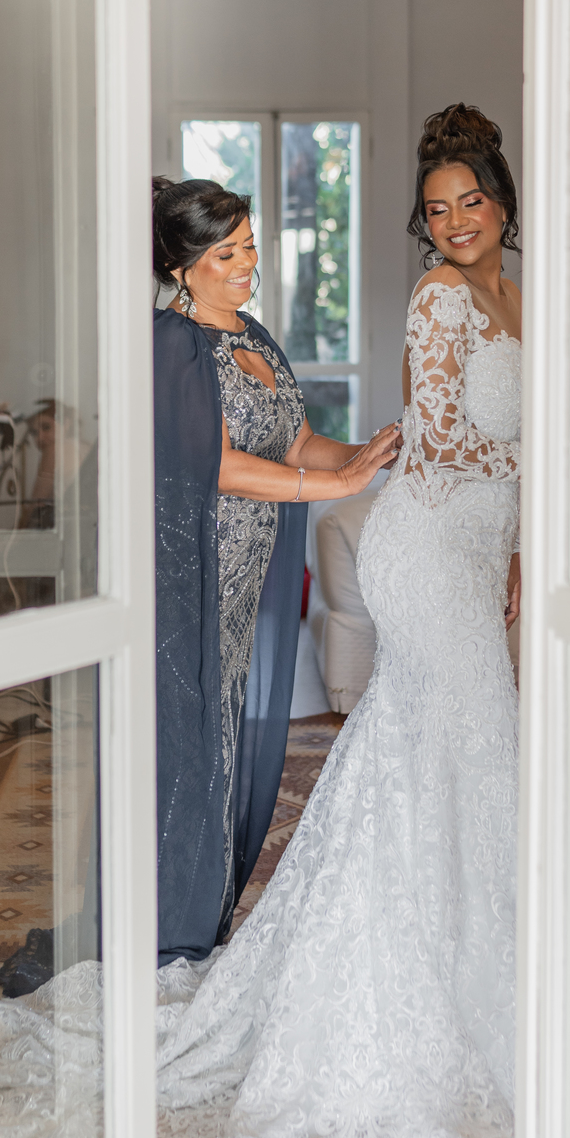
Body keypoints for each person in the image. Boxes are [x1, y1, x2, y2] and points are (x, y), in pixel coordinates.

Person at [152, 106, 570, 1138]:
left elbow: (528, 446)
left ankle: (470, 975)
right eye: (437, 210)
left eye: (470, 202)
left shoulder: (521, 297)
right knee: (476, 745)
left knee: (445, 755)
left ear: (501, 203)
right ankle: (433, 1012)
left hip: (475, 550)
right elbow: (444, 443)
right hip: (423, 552)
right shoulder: (439, 301)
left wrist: (517, 545)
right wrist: (526, 464)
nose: (454, 223)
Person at [151, 176, 400, 967]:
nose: (246, 265)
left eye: (250, 247)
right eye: (225, 253)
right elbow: (216, 464)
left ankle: (205, 913)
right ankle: (171, 927)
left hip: (246, 576)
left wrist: (366, 455)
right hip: (193, 574)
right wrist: (334, 486)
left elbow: (295, 443)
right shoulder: (174, 344)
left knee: (226, 735)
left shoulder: (254, 336)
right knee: (192, 744)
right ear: (183, 266)